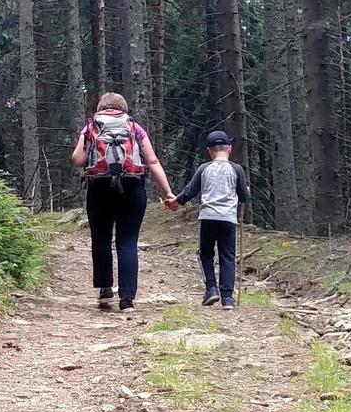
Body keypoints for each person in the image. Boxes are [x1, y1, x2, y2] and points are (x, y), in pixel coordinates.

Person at [71, 92, 175, 312]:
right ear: (124, 108)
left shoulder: (91, 126)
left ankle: (105, 290)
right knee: (127, 242)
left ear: (101, 107)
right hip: (132, 187)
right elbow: (152, 161)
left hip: (99, 188)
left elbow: (77, 160)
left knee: (101, 239)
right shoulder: (134, 127)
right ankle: (127, 299)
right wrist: (167, 194)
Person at [167, 130, 250, 309]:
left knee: (205, 253)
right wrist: (246, 191)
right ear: (229, 148)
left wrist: (175, 202)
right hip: (228, 219)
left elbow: (190, 191)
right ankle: (227, 298)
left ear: (210, 151)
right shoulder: (236, 169)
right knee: (228, 256)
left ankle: (211, 289)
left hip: (208, 217)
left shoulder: (204, 169)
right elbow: (244, 197)